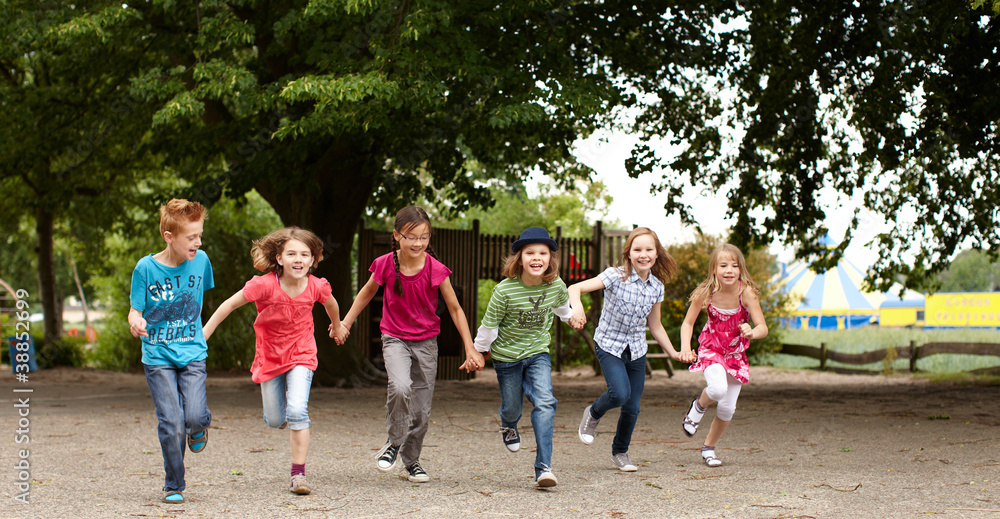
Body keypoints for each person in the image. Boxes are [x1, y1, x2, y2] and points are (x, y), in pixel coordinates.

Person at [335, 206, 482, 484]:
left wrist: (470, 347)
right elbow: (366, 293)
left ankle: (412, 461)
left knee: (422, 410)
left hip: (427, 342)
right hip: (395, 338)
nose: (418, 243)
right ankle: (393, 442)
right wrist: (346, 323)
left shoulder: (435, 269)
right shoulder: (384, 264)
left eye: (424, 237)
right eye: (411, 236)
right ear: (397, 235)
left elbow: (455, 309)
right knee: (400, 387)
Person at [202, 227, 342, 495]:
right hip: (269, 356)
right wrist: (204, 334)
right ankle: (286, 414)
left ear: (313, 259)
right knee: (275, 419)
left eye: (304, 254)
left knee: (298, 411)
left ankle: (298, 475)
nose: (298, 259)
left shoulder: (316, 286)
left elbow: (332, 305)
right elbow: (228, 305)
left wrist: (336, 327)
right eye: (291, 254)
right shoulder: (263, 285)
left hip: (302, 353)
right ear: (279, 258)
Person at [567, 227, 693, 472]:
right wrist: (577, 308)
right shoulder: (615, 276)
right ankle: (592, 413)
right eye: (637, 249)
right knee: (619, 394)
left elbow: (655, 326)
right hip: (609, 345)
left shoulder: (657, 287)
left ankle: (620, 452)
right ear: (629, 253)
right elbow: (575, 289)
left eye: (648, 249)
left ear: (657, 255)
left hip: (636, 349)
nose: (643, 254)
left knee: (632, 407)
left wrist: (673, 352)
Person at [129, 198, 215, 504]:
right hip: (157, 356)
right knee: (171, 421)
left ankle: (200, 425)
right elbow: (134, 309)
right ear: (169, 237)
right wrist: (136, 320)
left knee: (192, 416)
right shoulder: (146, 268)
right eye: (191, 237)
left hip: (192, 352)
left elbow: (196, 303)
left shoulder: (201, 261)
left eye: (199, 235)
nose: (198, 242)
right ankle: (174, 484)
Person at [473, 227, 572, 488]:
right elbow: (489, 327)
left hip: (538, 352)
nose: (536, 257)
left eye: (543, 253)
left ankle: (544, 468)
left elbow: (562, 308)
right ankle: (508, 424)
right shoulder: (504, 291)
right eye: (530, 253)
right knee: (512, 407)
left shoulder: (556, 285)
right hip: (507, 358)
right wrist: (479, 352)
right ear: (519, 259)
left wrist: (572, 318)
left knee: (545, 402)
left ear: (550, 258)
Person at [679, 243, 768, 467]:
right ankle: (698, 406)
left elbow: (763, 327)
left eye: (734, 266)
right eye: (723, 265)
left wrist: (752, 332)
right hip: (711, 349)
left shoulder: (746, 293)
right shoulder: (706, 292)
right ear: (714, 269)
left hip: (735, 355)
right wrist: (685, 347)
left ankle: (708, 448)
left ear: (741, 270)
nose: (729, 270)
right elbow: (688, 323)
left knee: (728, 408)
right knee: (717, 389)